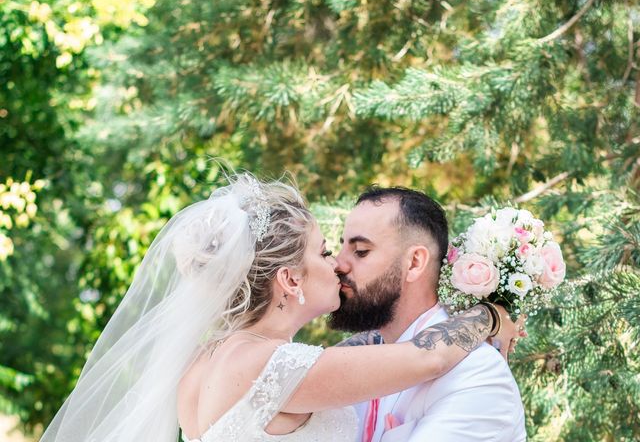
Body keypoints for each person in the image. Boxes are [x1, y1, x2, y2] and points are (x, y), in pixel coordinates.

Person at [40, 175, 515, 442]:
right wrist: (493, 315)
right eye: (325, 251)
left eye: (355, 251)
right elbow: (425, 357)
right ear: (289, 278)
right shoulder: (280, 365)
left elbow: (358, 355)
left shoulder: (202, 363)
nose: (338, 265)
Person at [329, 186, 527, 442]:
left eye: (361, 251)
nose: (337, 263)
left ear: (414, 263)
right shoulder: (355, 362)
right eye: (341, 247)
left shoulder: (477, 375)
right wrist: (489, 315)